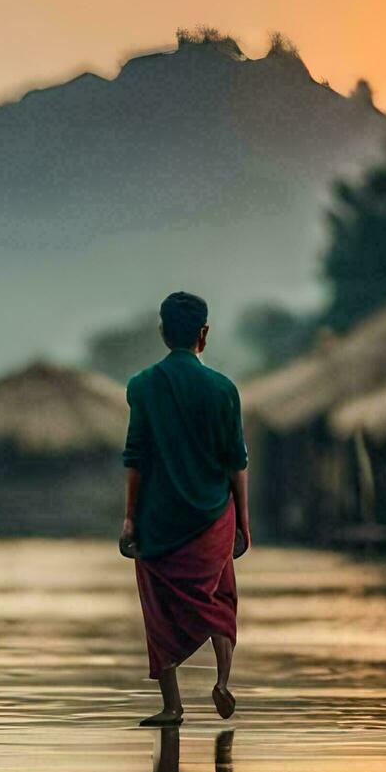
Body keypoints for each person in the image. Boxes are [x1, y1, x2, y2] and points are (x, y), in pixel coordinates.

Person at [120, 291, 249, 726]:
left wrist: (128, 519)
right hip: (213, 517)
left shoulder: (141, 386)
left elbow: (135, 457)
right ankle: (223, 682)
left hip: (158, 520)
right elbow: (237, 463)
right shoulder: (224, 390)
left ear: (162, 331)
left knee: (159, 607)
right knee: (219, 599)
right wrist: (243, 525)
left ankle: (172, 704)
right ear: (203, 334)